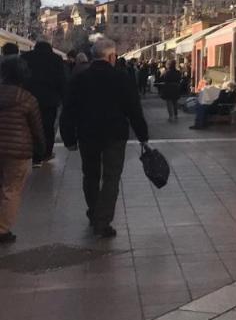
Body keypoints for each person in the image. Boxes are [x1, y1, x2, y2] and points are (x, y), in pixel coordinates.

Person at [59, 37, 150, 238]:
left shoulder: (80, 78)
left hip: (87, 134)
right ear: (111, 56)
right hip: (114, 134)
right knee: (111, 177)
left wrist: (69, 138)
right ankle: (103, 221)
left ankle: (93, 213)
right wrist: (142, 135)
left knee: (90, 175)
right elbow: (134, 109)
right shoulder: (121, 78)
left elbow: (68, 110)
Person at [0, 56, 44, 243]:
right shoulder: (27, 99)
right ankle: (2, 230)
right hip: (17, 151)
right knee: (11, 189)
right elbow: (37, 128)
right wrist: (40, 149)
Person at [23, 41, 66, 166]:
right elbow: (61, 80)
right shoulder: (56, 59)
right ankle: (47, 153)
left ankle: (35, 154)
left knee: (31, 125)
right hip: (49, 99)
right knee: (48, 127)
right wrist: (63, 98)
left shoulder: (25, 57)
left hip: (29, 98)